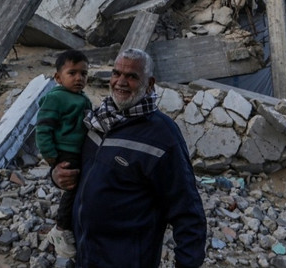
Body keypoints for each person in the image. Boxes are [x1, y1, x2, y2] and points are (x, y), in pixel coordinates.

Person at [51, 48, 207, 267]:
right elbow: (73, 169)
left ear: (149, 84)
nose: (120, 82)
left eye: (131, 76)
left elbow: (188, 212)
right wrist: (56, 175)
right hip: (86, 256)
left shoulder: (162, 136)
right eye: (116, 74)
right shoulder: (97, 120)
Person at [35, 49, 93, 259]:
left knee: (82, 189)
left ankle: (77, 225)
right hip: (65, 153)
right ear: (58, 77)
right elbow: (43, 129)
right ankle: (60, 230)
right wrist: (50, 156)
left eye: (84, 74)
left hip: (81, 152)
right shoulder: (55, 98)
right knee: (70, 189)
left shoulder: (83, 98)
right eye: (72, 73)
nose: (79, 78)